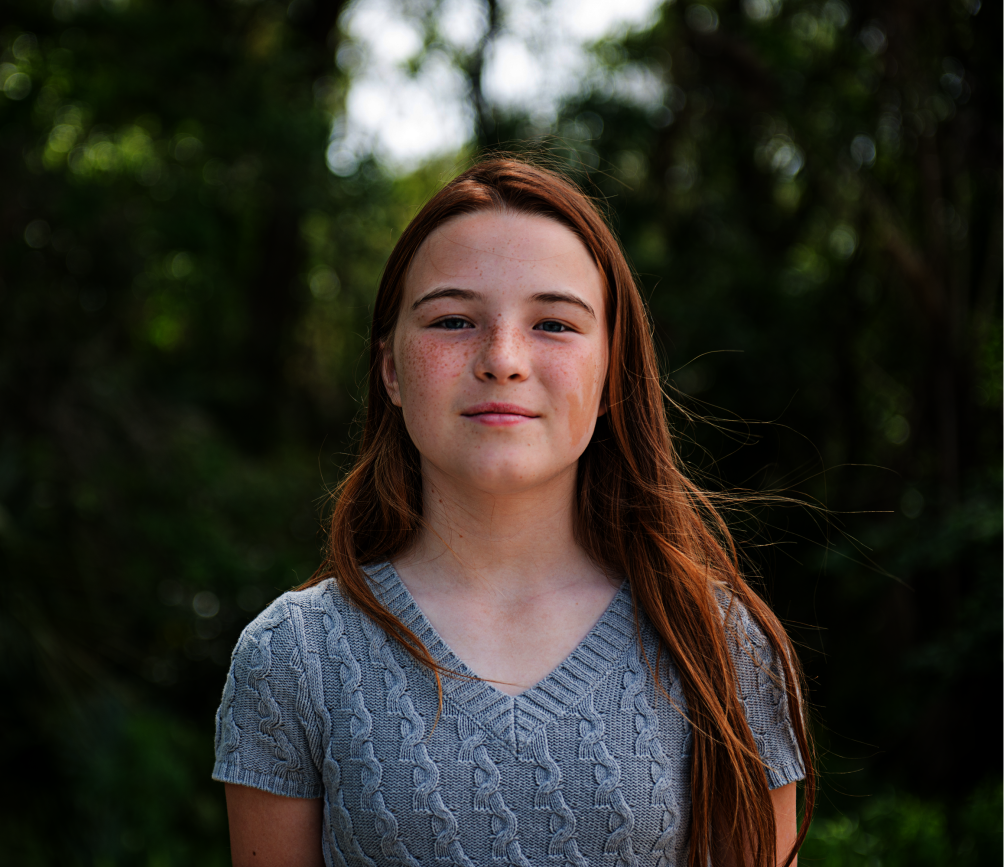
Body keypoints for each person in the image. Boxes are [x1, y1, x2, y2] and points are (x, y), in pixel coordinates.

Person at [211, 158, 814, 867]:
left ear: (611, 372)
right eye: (454, 319)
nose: (502, 359)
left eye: (554, 323)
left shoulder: (718, 645)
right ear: (391, 371)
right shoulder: (294, 657)